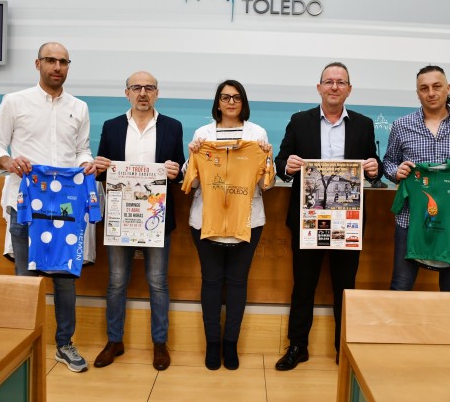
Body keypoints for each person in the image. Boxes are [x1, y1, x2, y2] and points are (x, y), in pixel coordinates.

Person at [0, 42, 97, 373]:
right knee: (26, 278)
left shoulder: (79, 107)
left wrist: (87, 163)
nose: (57, 67)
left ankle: (64, 344)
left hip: (64, 208)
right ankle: (25, 343)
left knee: (65, 279)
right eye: (50, 60)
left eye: (63, 62)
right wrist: (9, 161)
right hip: (24, 205)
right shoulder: (14, 102)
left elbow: (82, 150)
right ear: (38, 64)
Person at [274, 62, 382, 371]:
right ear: (319, 87)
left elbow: (374, 168)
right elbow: (281, 161)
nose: (334, 87)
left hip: (347, 221)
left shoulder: (363, 124)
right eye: (329, 82)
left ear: (349, 89)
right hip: (309, 220)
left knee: (344, 287)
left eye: (340, 82)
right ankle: (297, 346)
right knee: (303, 285)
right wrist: (288, 166)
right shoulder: (299, 121)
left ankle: (342, 349)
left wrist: (376, 170)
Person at [92, 71, 185, 371]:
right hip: (121, 217)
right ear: (127, 93)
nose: (142, 93)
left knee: (157, 283)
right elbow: (102, 169)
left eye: (148, 88)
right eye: (136, 88)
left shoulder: (172, 126)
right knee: (117, 282)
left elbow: (181, 170)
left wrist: (176, 171)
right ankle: (114, 340)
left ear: (157, 93)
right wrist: (99, 166)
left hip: (156, 218)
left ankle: (160, 343)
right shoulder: (112, 126)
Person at [182, 79, 275, 370]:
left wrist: (267, 157)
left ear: (243, 101)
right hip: (205, 221)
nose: (231, 102)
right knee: (210, 282)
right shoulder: (202, 134)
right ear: (218, 102)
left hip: (247, 221)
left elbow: (267, 184)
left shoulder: (257, 133)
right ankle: (212, 344)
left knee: (237, 283)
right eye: (225, 97)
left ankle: (230, 344)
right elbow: (190, 181)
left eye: (236, 97)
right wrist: (192, 154)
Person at [383, 64, 450, 292]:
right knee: (400, 285)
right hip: (410, 220)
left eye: (436, 86)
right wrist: (395, 172)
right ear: (417, 93)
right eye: (424, 88)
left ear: (448, 88)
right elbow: (388, 162)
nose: (431, 93)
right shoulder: (401, 126)